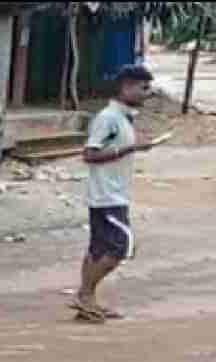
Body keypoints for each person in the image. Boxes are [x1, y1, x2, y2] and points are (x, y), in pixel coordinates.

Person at [73, 65, 156, 323]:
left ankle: (87, 301)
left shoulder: (122, 118)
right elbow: (89, 154)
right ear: (126, 87)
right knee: (121, 247)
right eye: (143, 88)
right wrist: (130, 149)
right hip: (108, 197)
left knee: (98, 249)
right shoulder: (108, 118)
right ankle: (84, 295)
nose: (147, 94)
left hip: (109, 195)